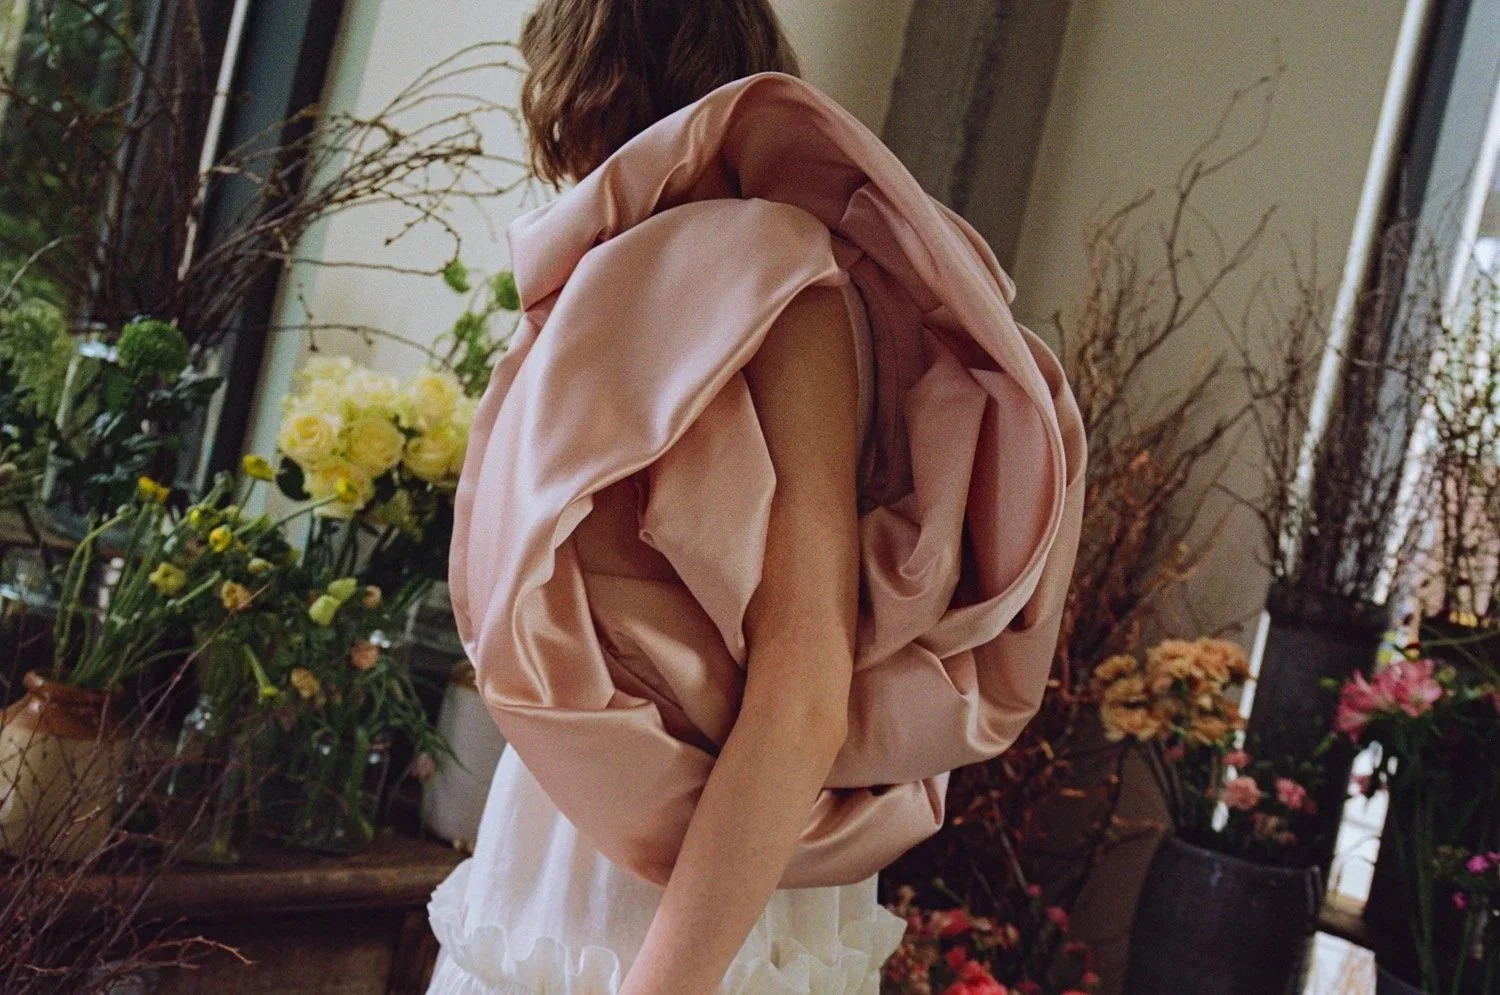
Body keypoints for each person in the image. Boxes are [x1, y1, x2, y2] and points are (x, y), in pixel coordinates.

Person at [427, 1, 1087, 992]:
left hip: (684, 882)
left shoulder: (777, 276)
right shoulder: (639, 272)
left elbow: (805, 677)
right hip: (588, 832)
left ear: (582, 77)